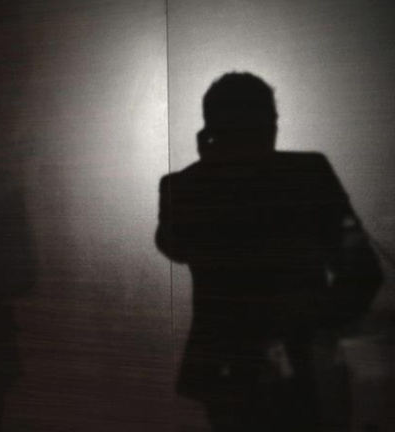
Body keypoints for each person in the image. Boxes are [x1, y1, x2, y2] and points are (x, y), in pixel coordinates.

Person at [155, 73, 381, 431]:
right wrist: (311, 326)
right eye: (268, 119)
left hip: (234, 369)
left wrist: (211, 167)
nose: (273, 128)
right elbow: (362, 270)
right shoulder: (308, 174)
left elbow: (175, 247)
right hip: (297, 367)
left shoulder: (185, 186)